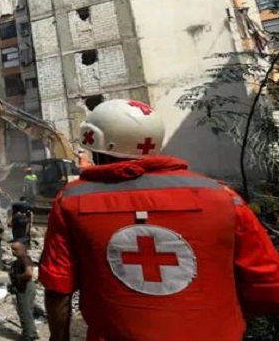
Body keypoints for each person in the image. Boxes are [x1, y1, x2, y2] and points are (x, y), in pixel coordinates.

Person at [39, 99, 279, 341]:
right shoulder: (222, 196)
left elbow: (58, 286)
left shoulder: (72, 200)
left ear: (97, 144)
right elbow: (268, 283)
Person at [9, 241, 38, 340]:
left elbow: (29, 273)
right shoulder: (20, 260)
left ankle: (29, 335)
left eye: (15, 249)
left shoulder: (24, 258)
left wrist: (19, 278)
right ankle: (31, 332)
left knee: (25, 311)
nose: (13, 252)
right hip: (23, 287)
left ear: (22, 249)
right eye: (12, 249)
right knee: (26, 310)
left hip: (25, 287)